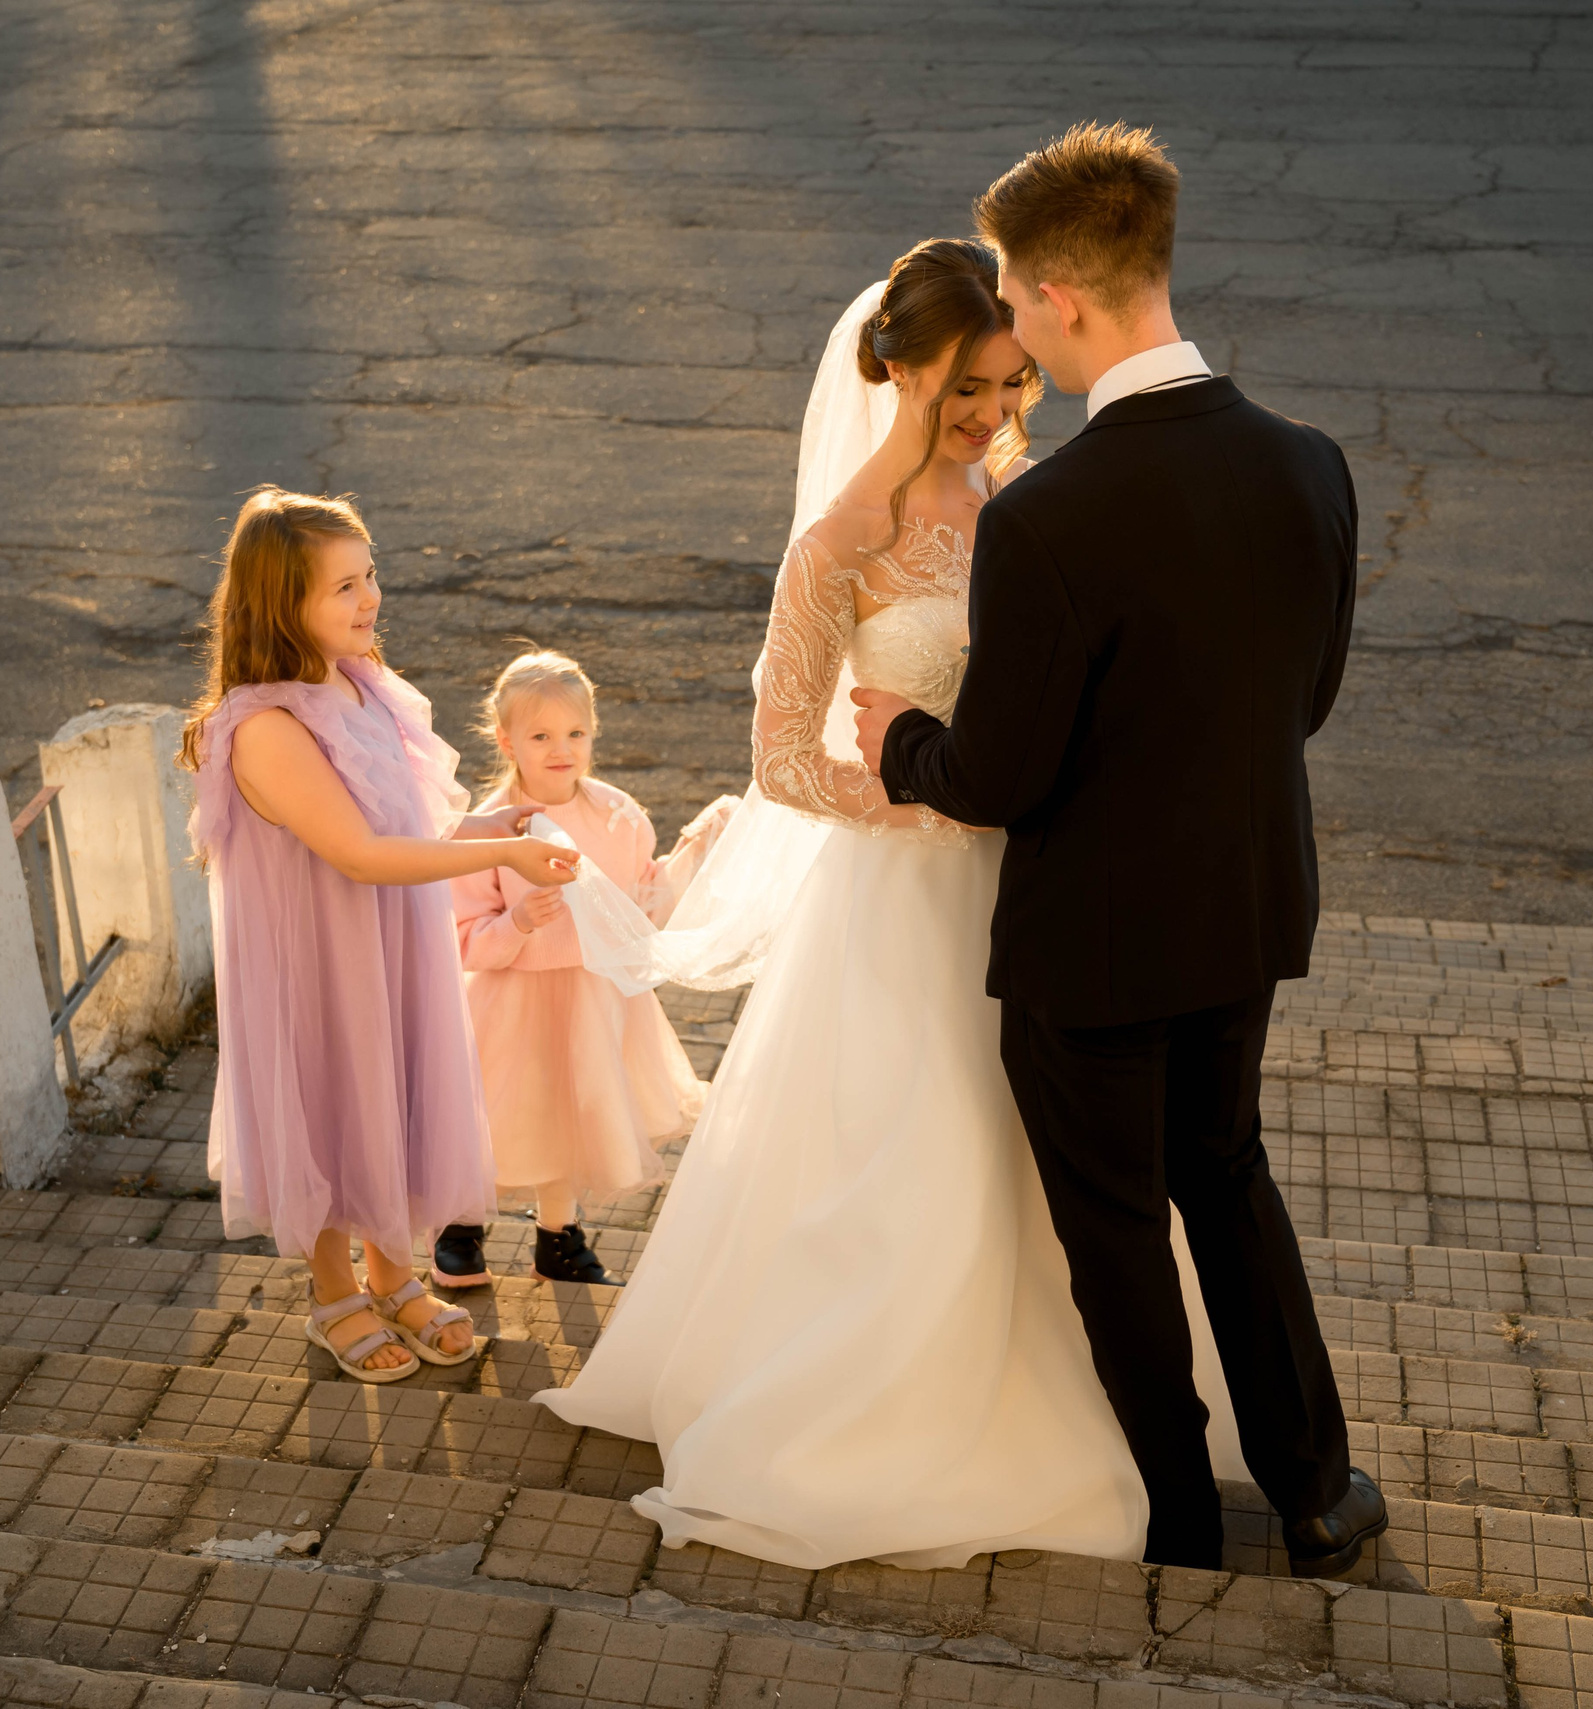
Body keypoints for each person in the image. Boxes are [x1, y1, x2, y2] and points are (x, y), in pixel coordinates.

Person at [536, 238, 1252, 1572]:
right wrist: (926, 799)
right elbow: (782, 759)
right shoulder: (843, 544)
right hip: (907, 893)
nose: (990, 417)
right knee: (912, 1153)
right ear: (898, 371)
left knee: (1062, 1170)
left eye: (1012, 384)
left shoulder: (1033, 500)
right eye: (963, 392)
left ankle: (1098, 1409)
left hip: (1038, 882)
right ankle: (884, 1418)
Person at [853, 123, 1385, 1575]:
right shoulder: (1311, 466)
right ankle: (1319, 1489)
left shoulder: (1051, 518)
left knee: (1117, 1237)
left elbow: (997, 776)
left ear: (1066, 301)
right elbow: (1307, 702)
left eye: (1019, 305)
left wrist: (901, 732)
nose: (1015, 330)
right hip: (1246, 913)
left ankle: (1176, 1513)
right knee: (1228, 1174)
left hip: (1091, 954)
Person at [182, 487, 580, 1384]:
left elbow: (410, 830)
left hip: (391, 943)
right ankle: (334, 1295)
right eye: (344, 589)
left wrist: (493, 831)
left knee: (390, 1097)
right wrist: (511, 849)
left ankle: (395, 1275)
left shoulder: (360, 687)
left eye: (371, 577)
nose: (370, 601)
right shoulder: (265, 728)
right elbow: (358, 854)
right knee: (332, 1101)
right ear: (283, 605)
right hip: (317, 958)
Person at [437, 649, 728, 1288]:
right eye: (541, 736)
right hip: (512, 1001)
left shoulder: (617, 816)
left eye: (576, 733)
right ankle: (460, 1223)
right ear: (506, 739)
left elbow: (643, 905)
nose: (561, 748)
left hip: (593, 996)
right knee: (502, 1110)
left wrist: (696, 849)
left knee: (575, 1109)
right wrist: (516, 923)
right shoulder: (490, 828)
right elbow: (463, 938)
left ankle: (558, 1236)